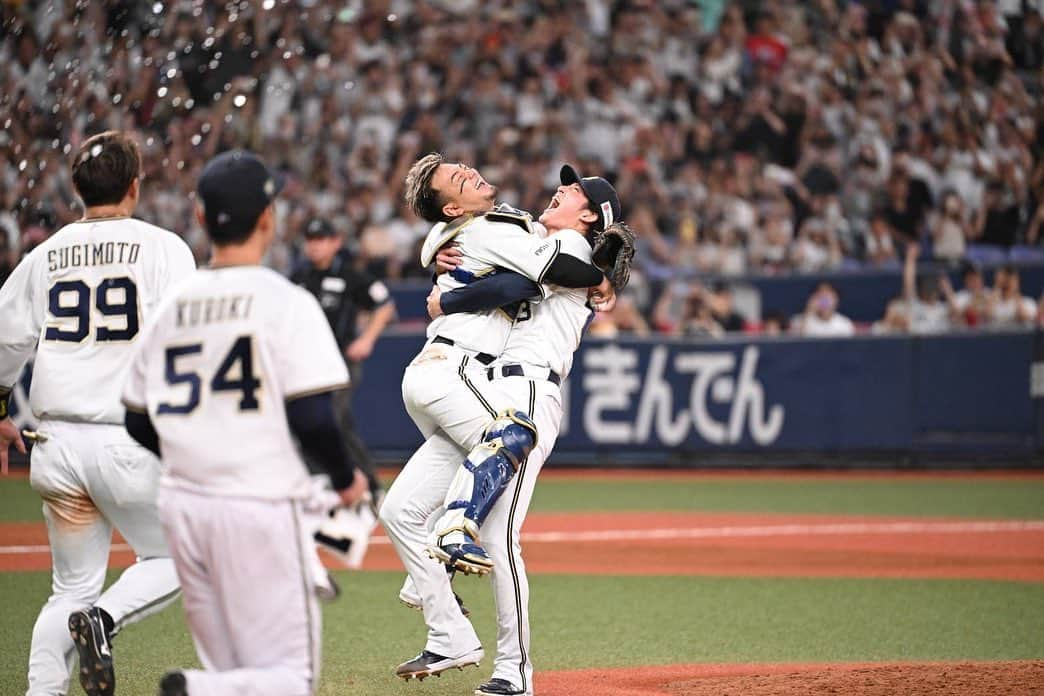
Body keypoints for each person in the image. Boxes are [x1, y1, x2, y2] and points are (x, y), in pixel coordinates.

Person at [120, 150, 367, 696]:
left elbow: (136, 421)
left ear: (202, 218)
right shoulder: (286, 301)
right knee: (287, 679)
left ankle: (209, 687)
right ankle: (196, 689)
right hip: (258, 503)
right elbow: (314, 418)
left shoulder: (171, 305)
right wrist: (347, 480)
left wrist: (195, 451)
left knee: (235, 669)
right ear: (268, 218)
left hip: (183, 504)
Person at [379, 154, 614, 683]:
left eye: (574, 191)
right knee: (399, 509)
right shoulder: (531, 234)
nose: (559, 191)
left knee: (499, 536)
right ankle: (447, 627)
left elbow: (521, 285)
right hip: (488, 386)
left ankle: (515, 672)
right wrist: (442, 253)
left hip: (527, 390)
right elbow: (482, 245)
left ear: (590, 217)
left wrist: (453, 296)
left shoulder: (568, 245)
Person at [0, 130, 195, 696]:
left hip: (54, 441)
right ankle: (103, 622)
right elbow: (184, 341)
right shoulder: (163, 248)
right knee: (174, 558)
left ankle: (44, 690)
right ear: (134, 186)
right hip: (126, 437)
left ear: (78, 189)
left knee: (68, 590)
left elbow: (6, 340)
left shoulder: (45, 254)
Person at [290, 217, 396, 503]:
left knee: (335, 420)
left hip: (339, 362)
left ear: (335, 242)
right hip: (305, 365)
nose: (314, 246)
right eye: (310, 240)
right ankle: (325, 486)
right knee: (313, 423)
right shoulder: (299, 277)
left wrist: (367, 339)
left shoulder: (351, 276)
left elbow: (384, 304)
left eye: (321, 239)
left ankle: (371, 488)